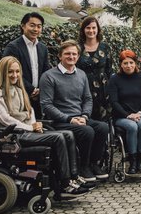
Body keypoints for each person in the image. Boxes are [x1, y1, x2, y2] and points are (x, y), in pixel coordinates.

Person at [0, 56, 89, 198]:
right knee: (58, 137)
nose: (15, 75)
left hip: (25, 130)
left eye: (17, 72)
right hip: (12, 135)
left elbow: (29, 111)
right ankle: (65, 184)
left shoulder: (18, 88)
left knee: (68, 134)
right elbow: (5, 119)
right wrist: (30, 128)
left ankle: (74, 176)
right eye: (10, 72)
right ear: (2, 72)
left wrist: (35, 124)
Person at [40, 40, 110, 182]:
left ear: (78, 56)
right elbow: (46, 105)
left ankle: (93, 163)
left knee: (103, 127)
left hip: (79, 117)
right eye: (67, 54)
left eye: (74, 54)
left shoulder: (81, 75)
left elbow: (87, 99)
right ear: (60, 56)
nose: (71, 57)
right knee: (87, 131)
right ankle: (82, 167)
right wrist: (69, 119)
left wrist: (84, 116)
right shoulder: (48, 76)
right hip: (59, 121)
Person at [107, 50, 141, 175]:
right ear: (121, 64)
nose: (128, 66)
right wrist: (127, 115)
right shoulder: (115, 79)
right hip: (122, 115)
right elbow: (114, 102)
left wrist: (139, 113)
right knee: (132, 126)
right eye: (125, 63)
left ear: (135, 63)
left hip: (140, 114)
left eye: (131, 63)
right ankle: (132, 162)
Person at [2, 12, 52, 118]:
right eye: (32, 25)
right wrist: (31, 90)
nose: (35, 29)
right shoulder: (13, 47)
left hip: (38, 98)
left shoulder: (42, 48)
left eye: (39, 26)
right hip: (18, 95)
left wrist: (40, 90)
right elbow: (9, 72)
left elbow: (46, 72)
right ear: (23, 26)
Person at [77, 16, 112, 122]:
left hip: (103, 90)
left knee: (103, 121)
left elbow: (109, 70)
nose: (91, 30)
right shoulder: (78, 47)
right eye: (88, 28)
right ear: (83, 30)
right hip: (83, 88)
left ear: (98, 29)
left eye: (93, 28)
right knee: (85, 119)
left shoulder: (105, 47)